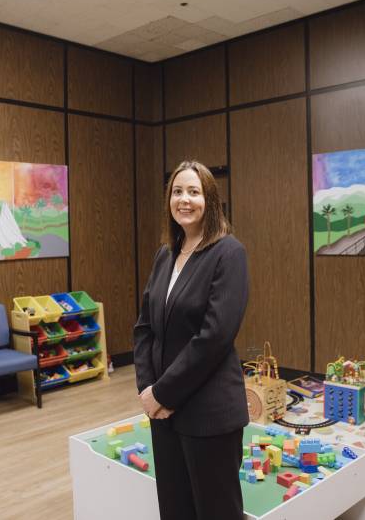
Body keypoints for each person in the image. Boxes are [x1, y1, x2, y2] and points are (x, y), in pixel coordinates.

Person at [133, 160, 249, 520]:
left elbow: (213, 338)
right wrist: (149, 391)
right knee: (175, 509)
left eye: (194, 192)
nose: (185, 199)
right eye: (177, 191)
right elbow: (144, 327)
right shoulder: (165, 254)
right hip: (163, 414)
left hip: (208, 414)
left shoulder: (229, 253)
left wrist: (164, 393)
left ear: (210, 200)